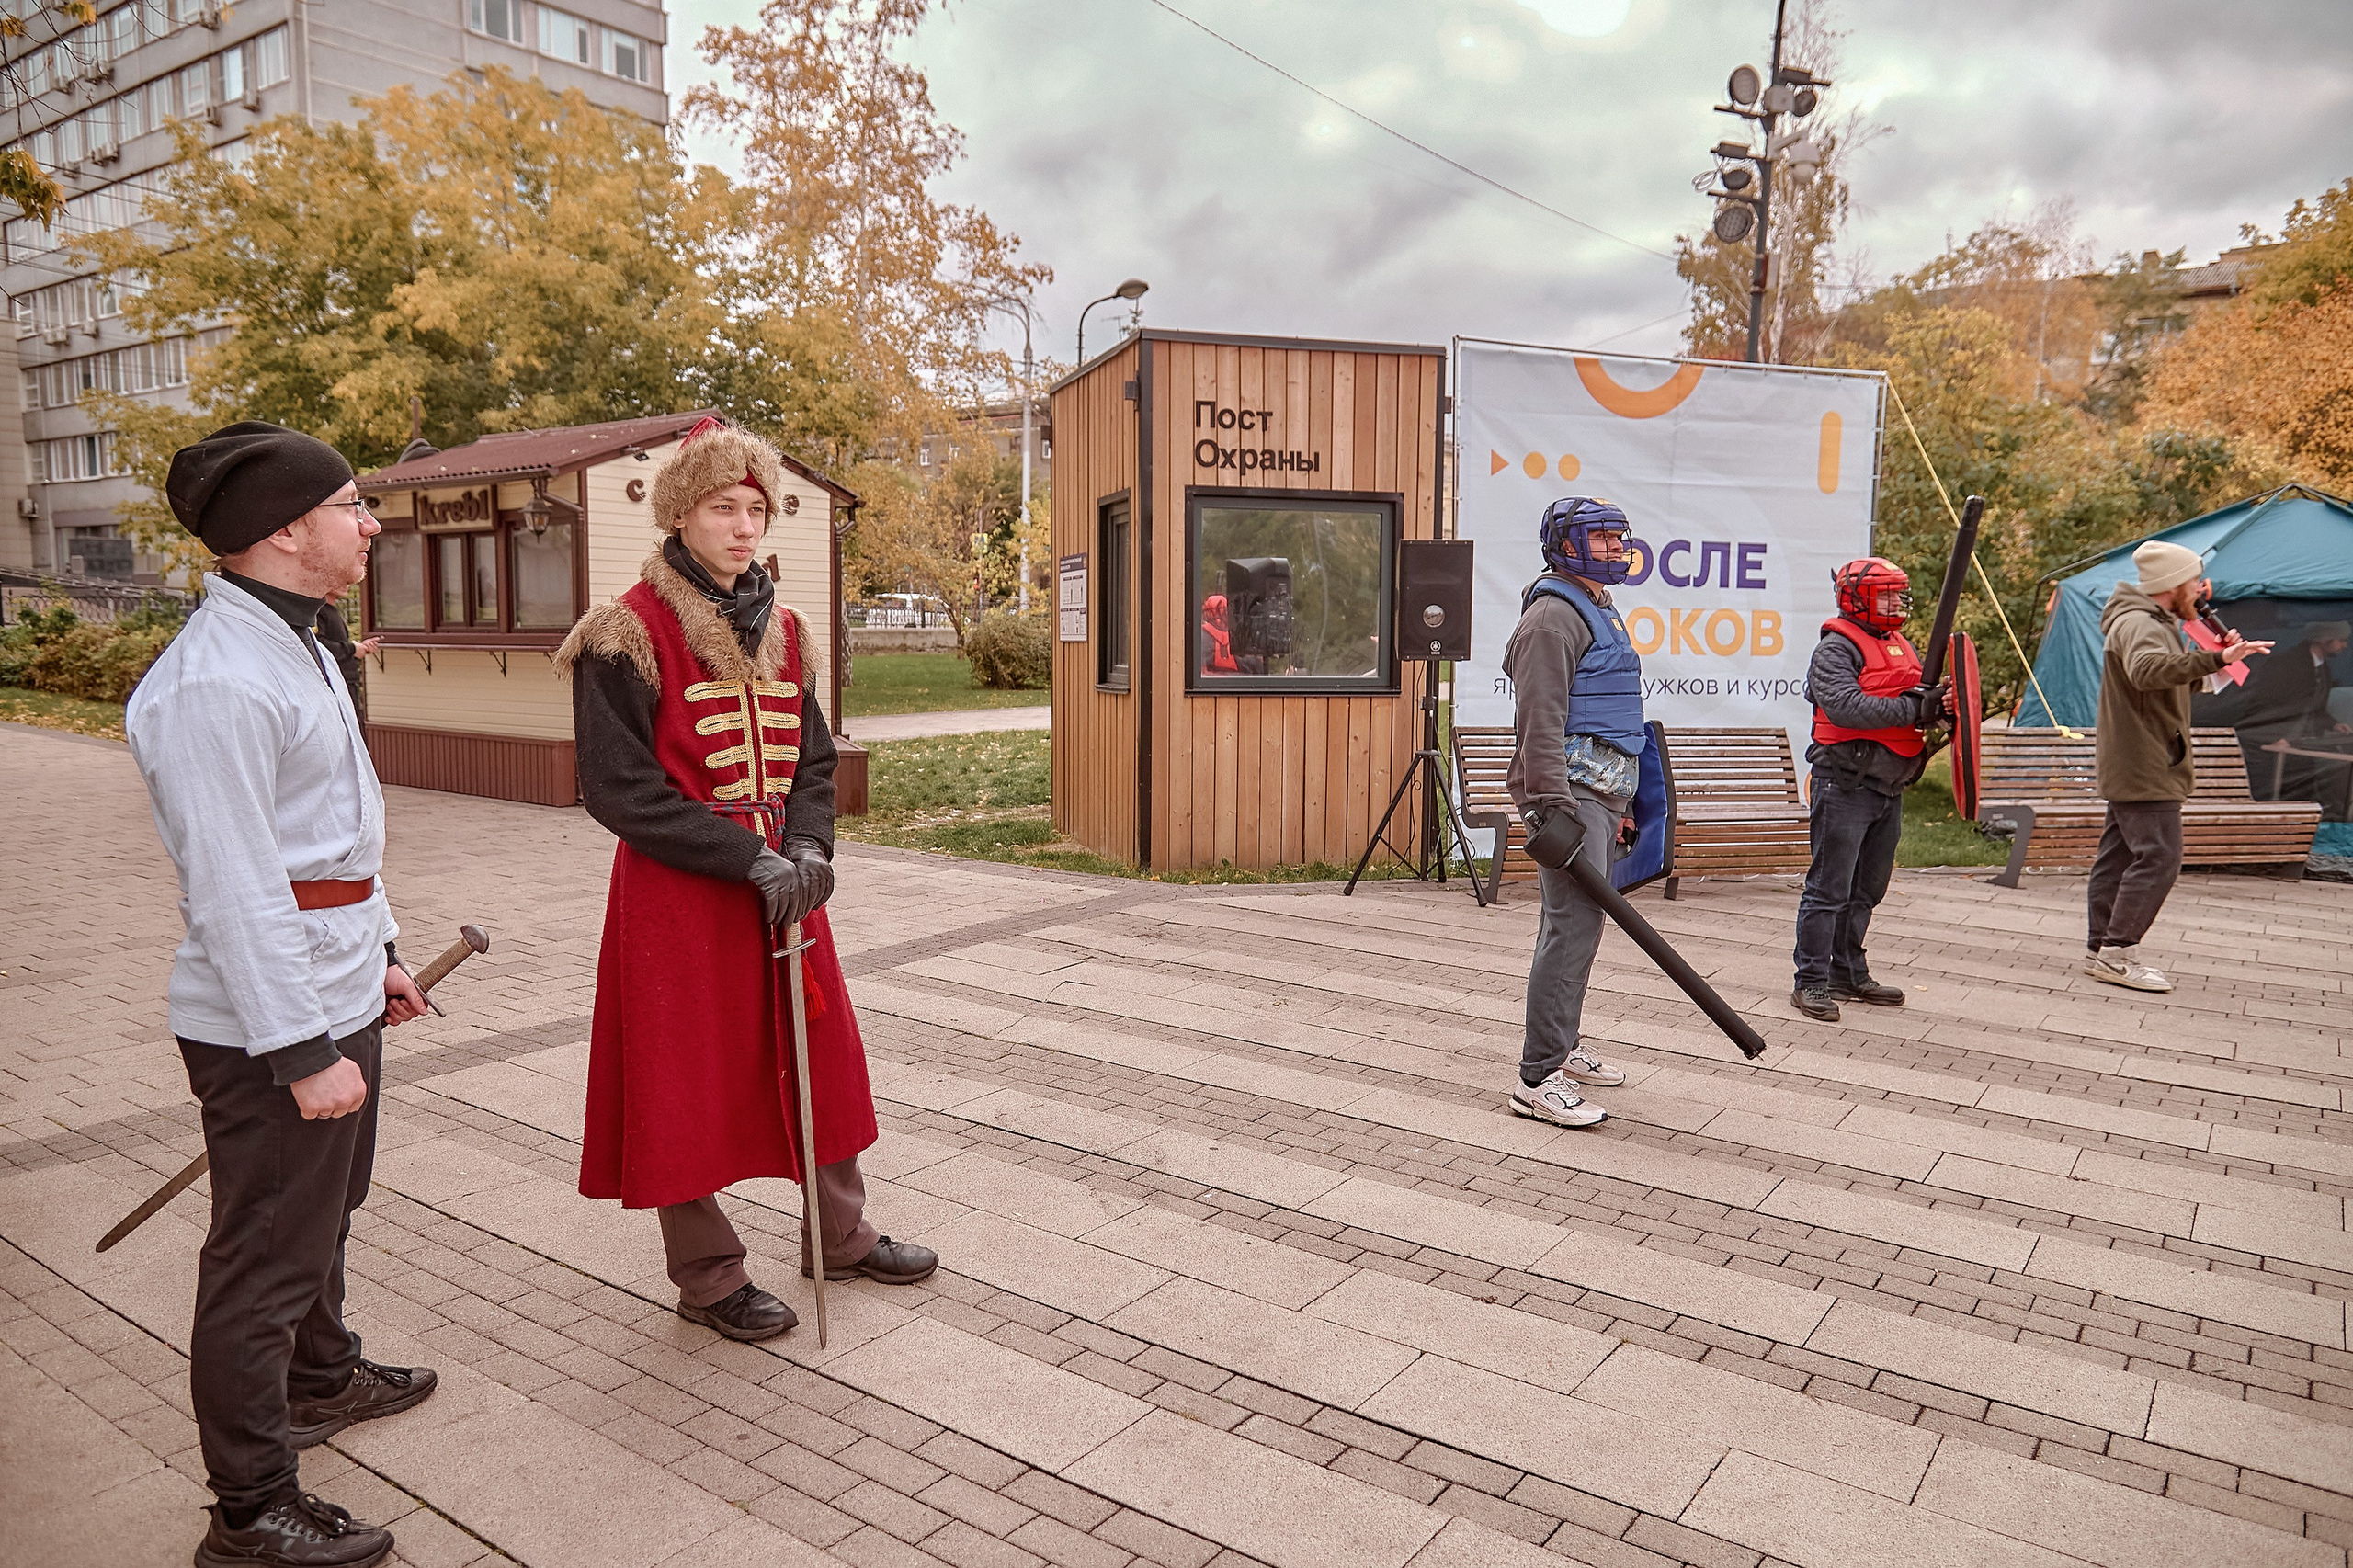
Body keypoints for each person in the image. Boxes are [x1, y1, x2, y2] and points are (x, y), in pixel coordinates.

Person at [127, 421, 437, 1568]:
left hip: (336, 980)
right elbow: (239, 888)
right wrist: (302, 1049)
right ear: (286, 527)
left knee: (323, 1212)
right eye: (353, 504)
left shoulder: (300, 640)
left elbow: (334, 831)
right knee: (263, 1254)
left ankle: (320, 1374)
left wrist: (386, 948)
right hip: (273, 1016)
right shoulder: (212, 683)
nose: (369, 522)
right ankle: (250, 1505)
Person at [559, 416, 936, 1344]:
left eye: (755, 509)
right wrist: (743, 856)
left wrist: (809, 850)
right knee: (681, 1076)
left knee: (824, 1054)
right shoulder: (624, 629)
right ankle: (707, 1274)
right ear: (683, 512)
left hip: (787, 882)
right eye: (724, 506)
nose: (742, 526)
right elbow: (617, 788)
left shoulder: (789, 626)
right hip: (680, 894)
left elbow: (813, 760)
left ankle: (839, 1233)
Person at [1503, 496, 1641, 1128]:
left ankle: (1564, 1044)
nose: (1614, 548)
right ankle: (1538, 1077)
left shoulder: (1599, 607)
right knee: (1570, 929)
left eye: (1618, 538)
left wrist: (1624, 803)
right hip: (1570, 798)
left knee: (1577, 928)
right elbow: (1540, 722)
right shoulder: (1553, 618)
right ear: (1565, 545)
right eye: (1601, 538)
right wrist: (1553, 807)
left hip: (1600, 796)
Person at [2088, 540, 2272, 991]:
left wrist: (2222, 665)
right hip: (2146, 761)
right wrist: (2215, 657)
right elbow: (2149, 672)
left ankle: (2102, 948)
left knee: (2119, 857)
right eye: (2195, 579)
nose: (2202, 588)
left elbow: (2163, 685)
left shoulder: (2147, 621)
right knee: (2160, 858)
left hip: (2139, 757)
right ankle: (2116, 954)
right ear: (2171, 584)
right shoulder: (2141, 624)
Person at [1789, 558, 1952, 1022]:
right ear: (1858, 598)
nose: (1898, 603)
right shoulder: (1836, 649)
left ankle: (1848, 972)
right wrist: (1913, 708)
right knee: (1829, 888)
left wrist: (1940, 706)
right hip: (1845, 782)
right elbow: (1843, 707)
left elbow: (1914, 700)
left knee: (1867, 888)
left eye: (1900, 594)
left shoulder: (1899, 644)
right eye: (1888, 594)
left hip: (1889, 785)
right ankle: (1811, 981)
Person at [2233, 620, 2351, 818]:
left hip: (2299, 745)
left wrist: (2333, 724)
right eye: (2341, 640)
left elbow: (2315, 708)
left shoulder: (2324, 669)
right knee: (2268, 790)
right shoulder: (2287, 664)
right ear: (2324, 640)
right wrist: (2277, 735)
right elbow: (2268, 704)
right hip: (2269, 744)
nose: (2345, 646)